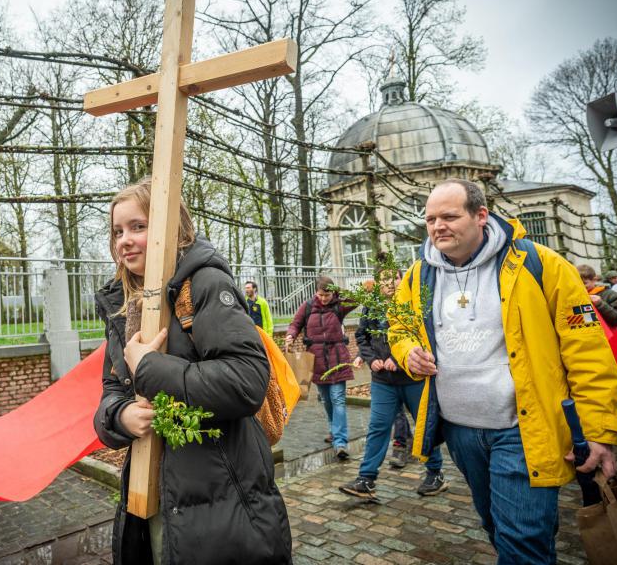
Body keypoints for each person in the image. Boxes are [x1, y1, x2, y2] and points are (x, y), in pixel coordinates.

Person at [390, 179, 617, 564]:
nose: (438, 227)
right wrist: (408, 351)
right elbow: (398, 326)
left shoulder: (542, 264)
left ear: (481, 215)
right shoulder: (419, 276)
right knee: (497, 528)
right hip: (460, 431)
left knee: (522, 541)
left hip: (523, 432)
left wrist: (600, 431)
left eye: (449, 216)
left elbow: (588, 353)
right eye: (431, 219)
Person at [93, 178, 291, 565]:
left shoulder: (204, 282)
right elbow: (110, 390)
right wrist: (121, 415)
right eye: (117, 231)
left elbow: (246, 379)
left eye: (138, 227)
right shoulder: (122, 304)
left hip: (223, 492)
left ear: (172, 226)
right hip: (151, 496)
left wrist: (150, 368)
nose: (124, 241)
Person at [339, 268, 447, 500]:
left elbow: (423, 336)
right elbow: (362, 337)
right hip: (383, 381)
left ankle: (435, 473)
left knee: (424, 425)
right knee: (378, 426)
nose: (388, 283)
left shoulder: (413, 305)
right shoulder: (372, 306)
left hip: (413, 379)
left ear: (401, 280)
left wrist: (398, 359)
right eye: (383, 279)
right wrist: (371, 358)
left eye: (393, 278)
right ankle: (366, 479)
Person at [285, 276, 356, 458]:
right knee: (326, 400)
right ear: (316, 292)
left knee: (338, 398)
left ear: (333, 292)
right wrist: (290, 336)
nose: (324, 298)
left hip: (337, 357)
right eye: (321, 294)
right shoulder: (307, 306)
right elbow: (295, 324)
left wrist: (339, 292)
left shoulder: (338, 305)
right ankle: (334, 431)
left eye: (328, 294)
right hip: (316, 360)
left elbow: (356, 299)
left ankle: (340, 442)